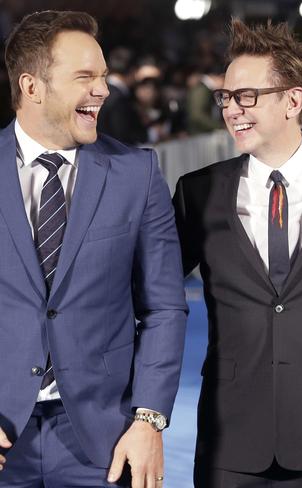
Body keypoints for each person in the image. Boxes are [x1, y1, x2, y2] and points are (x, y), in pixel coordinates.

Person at [172, 19, 302, 488]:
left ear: (293, 100)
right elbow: (154, 296)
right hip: (230, 437)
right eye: (225, 97)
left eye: (246, 96)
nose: (231, 110)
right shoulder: (198, 191)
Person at [0, 10, 187, 487]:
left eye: (103, 75)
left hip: (103, 441)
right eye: (85, 76)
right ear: (32, 86)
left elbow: (164, 306)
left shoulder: (137, 174)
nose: (103, 89)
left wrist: (149, 420)